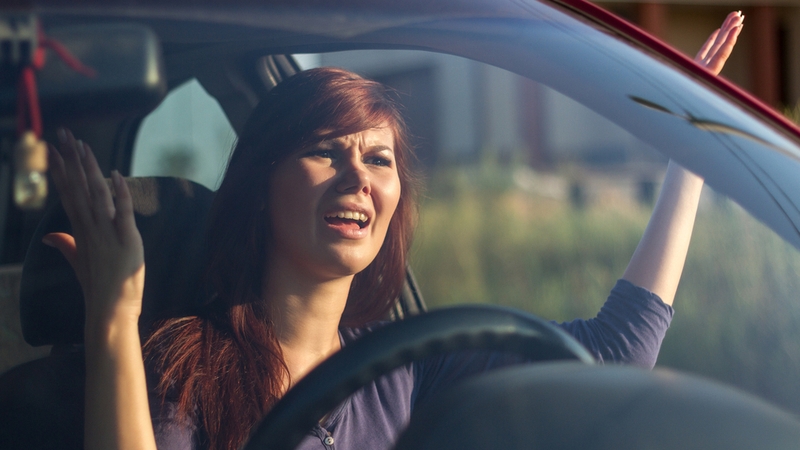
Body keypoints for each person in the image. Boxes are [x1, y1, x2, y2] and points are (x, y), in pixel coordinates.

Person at [42, 11, 744, 450]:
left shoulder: (406, 366)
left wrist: (689, 156)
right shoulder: (187, 364)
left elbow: (618, 352)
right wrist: (115, 315)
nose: (358, 178)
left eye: (378, 159)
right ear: (260, 185)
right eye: (325, 151)